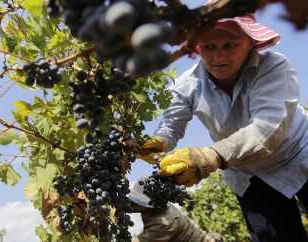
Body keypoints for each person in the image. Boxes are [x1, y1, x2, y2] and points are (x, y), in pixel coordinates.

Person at [139, 12, 308, 242]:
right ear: (198, 47)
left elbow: (268, 129)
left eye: (230, 45)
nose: (218, 56)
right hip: (249, 175)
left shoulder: (275, 68)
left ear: (251, 42)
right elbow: (171, 125)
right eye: (208, 46)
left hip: (298, 154)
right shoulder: (187, 85)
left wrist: (212, 155)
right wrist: (160, 141)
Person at [128, 177, 223, 242]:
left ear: (151, 204)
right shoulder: (159, 202)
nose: (134, 203)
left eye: (138, 201)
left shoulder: (163, 223)